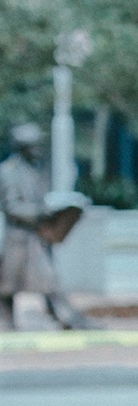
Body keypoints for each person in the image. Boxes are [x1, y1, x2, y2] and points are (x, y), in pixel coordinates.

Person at [0, 123, 83, 330]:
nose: (38, 150)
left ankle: (63, 316)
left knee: (48, 279)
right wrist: (41, 212)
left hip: (35, 235)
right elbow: (11, 207)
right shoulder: (9, 172)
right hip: (18, 238)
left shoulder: (34, 170)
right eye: (33, 146)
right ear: (22, 147)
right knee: (9, 284)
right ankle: (7, 321)